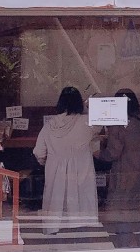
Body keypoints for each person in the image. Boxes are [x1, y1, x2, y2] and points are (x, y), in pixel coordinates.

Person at [32, 86, 99, 235]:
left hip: (55, 171)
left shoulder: (49, 125)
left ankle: (55, 229)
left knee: (55, 201)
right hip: (81, 170)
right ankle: (80, 231)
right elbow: (101, 124)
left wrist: (46, 162)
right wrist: (88, 107)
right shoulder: (87, 122)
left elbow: (39, 152)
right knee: (81, 200)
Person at [103, 89, 140, 245]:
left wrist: (97, 152)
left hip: (125, 174)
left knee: (123, 213)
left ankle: (124, 250)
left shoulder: (117, 125)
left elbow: (113, 152)